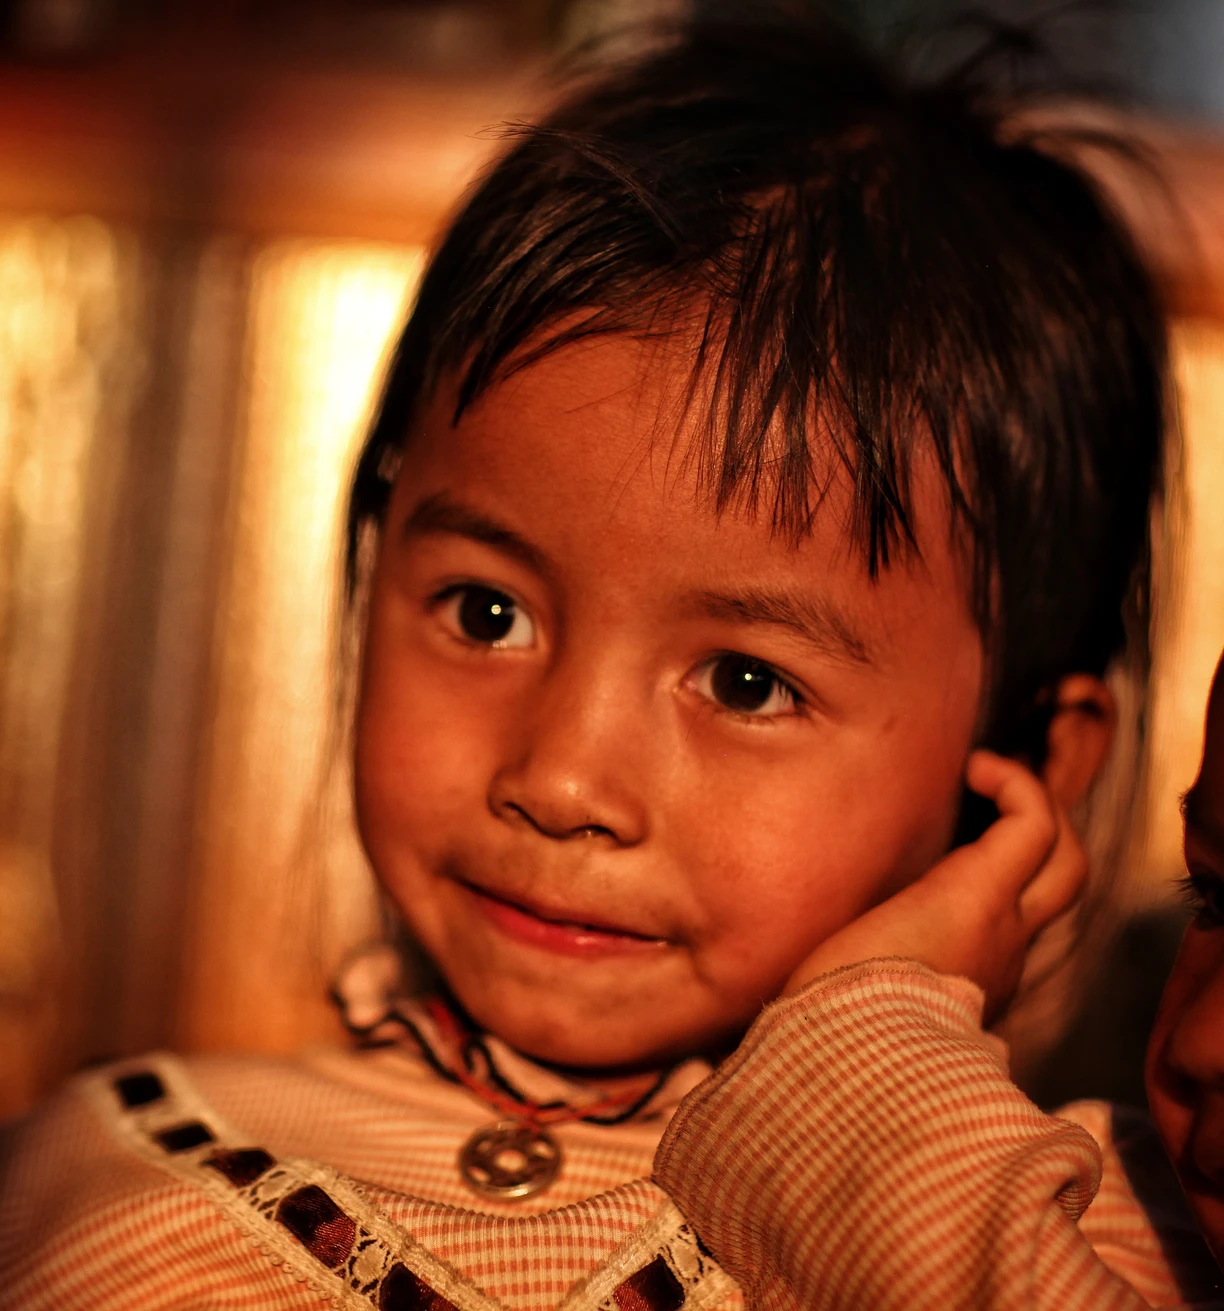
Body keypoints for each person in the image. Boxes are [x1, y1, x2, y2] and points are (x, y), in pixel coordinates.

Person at [0, 12, 1170, 1310]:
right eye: (487, 613)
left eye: (745, 682)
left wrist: (871, 1067)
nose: (561, 782)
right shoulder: (99, 1178)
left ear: (1030, 760)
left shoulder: (1080, 1234)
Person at [661, 653, 1224, 1311]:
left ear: (1044, 757)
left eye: (749, 686)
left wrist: (863, 1042)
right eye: (1213, 896)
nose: (1198, 1040)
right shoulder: (1127, 1216)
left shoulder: (1081, 1220)